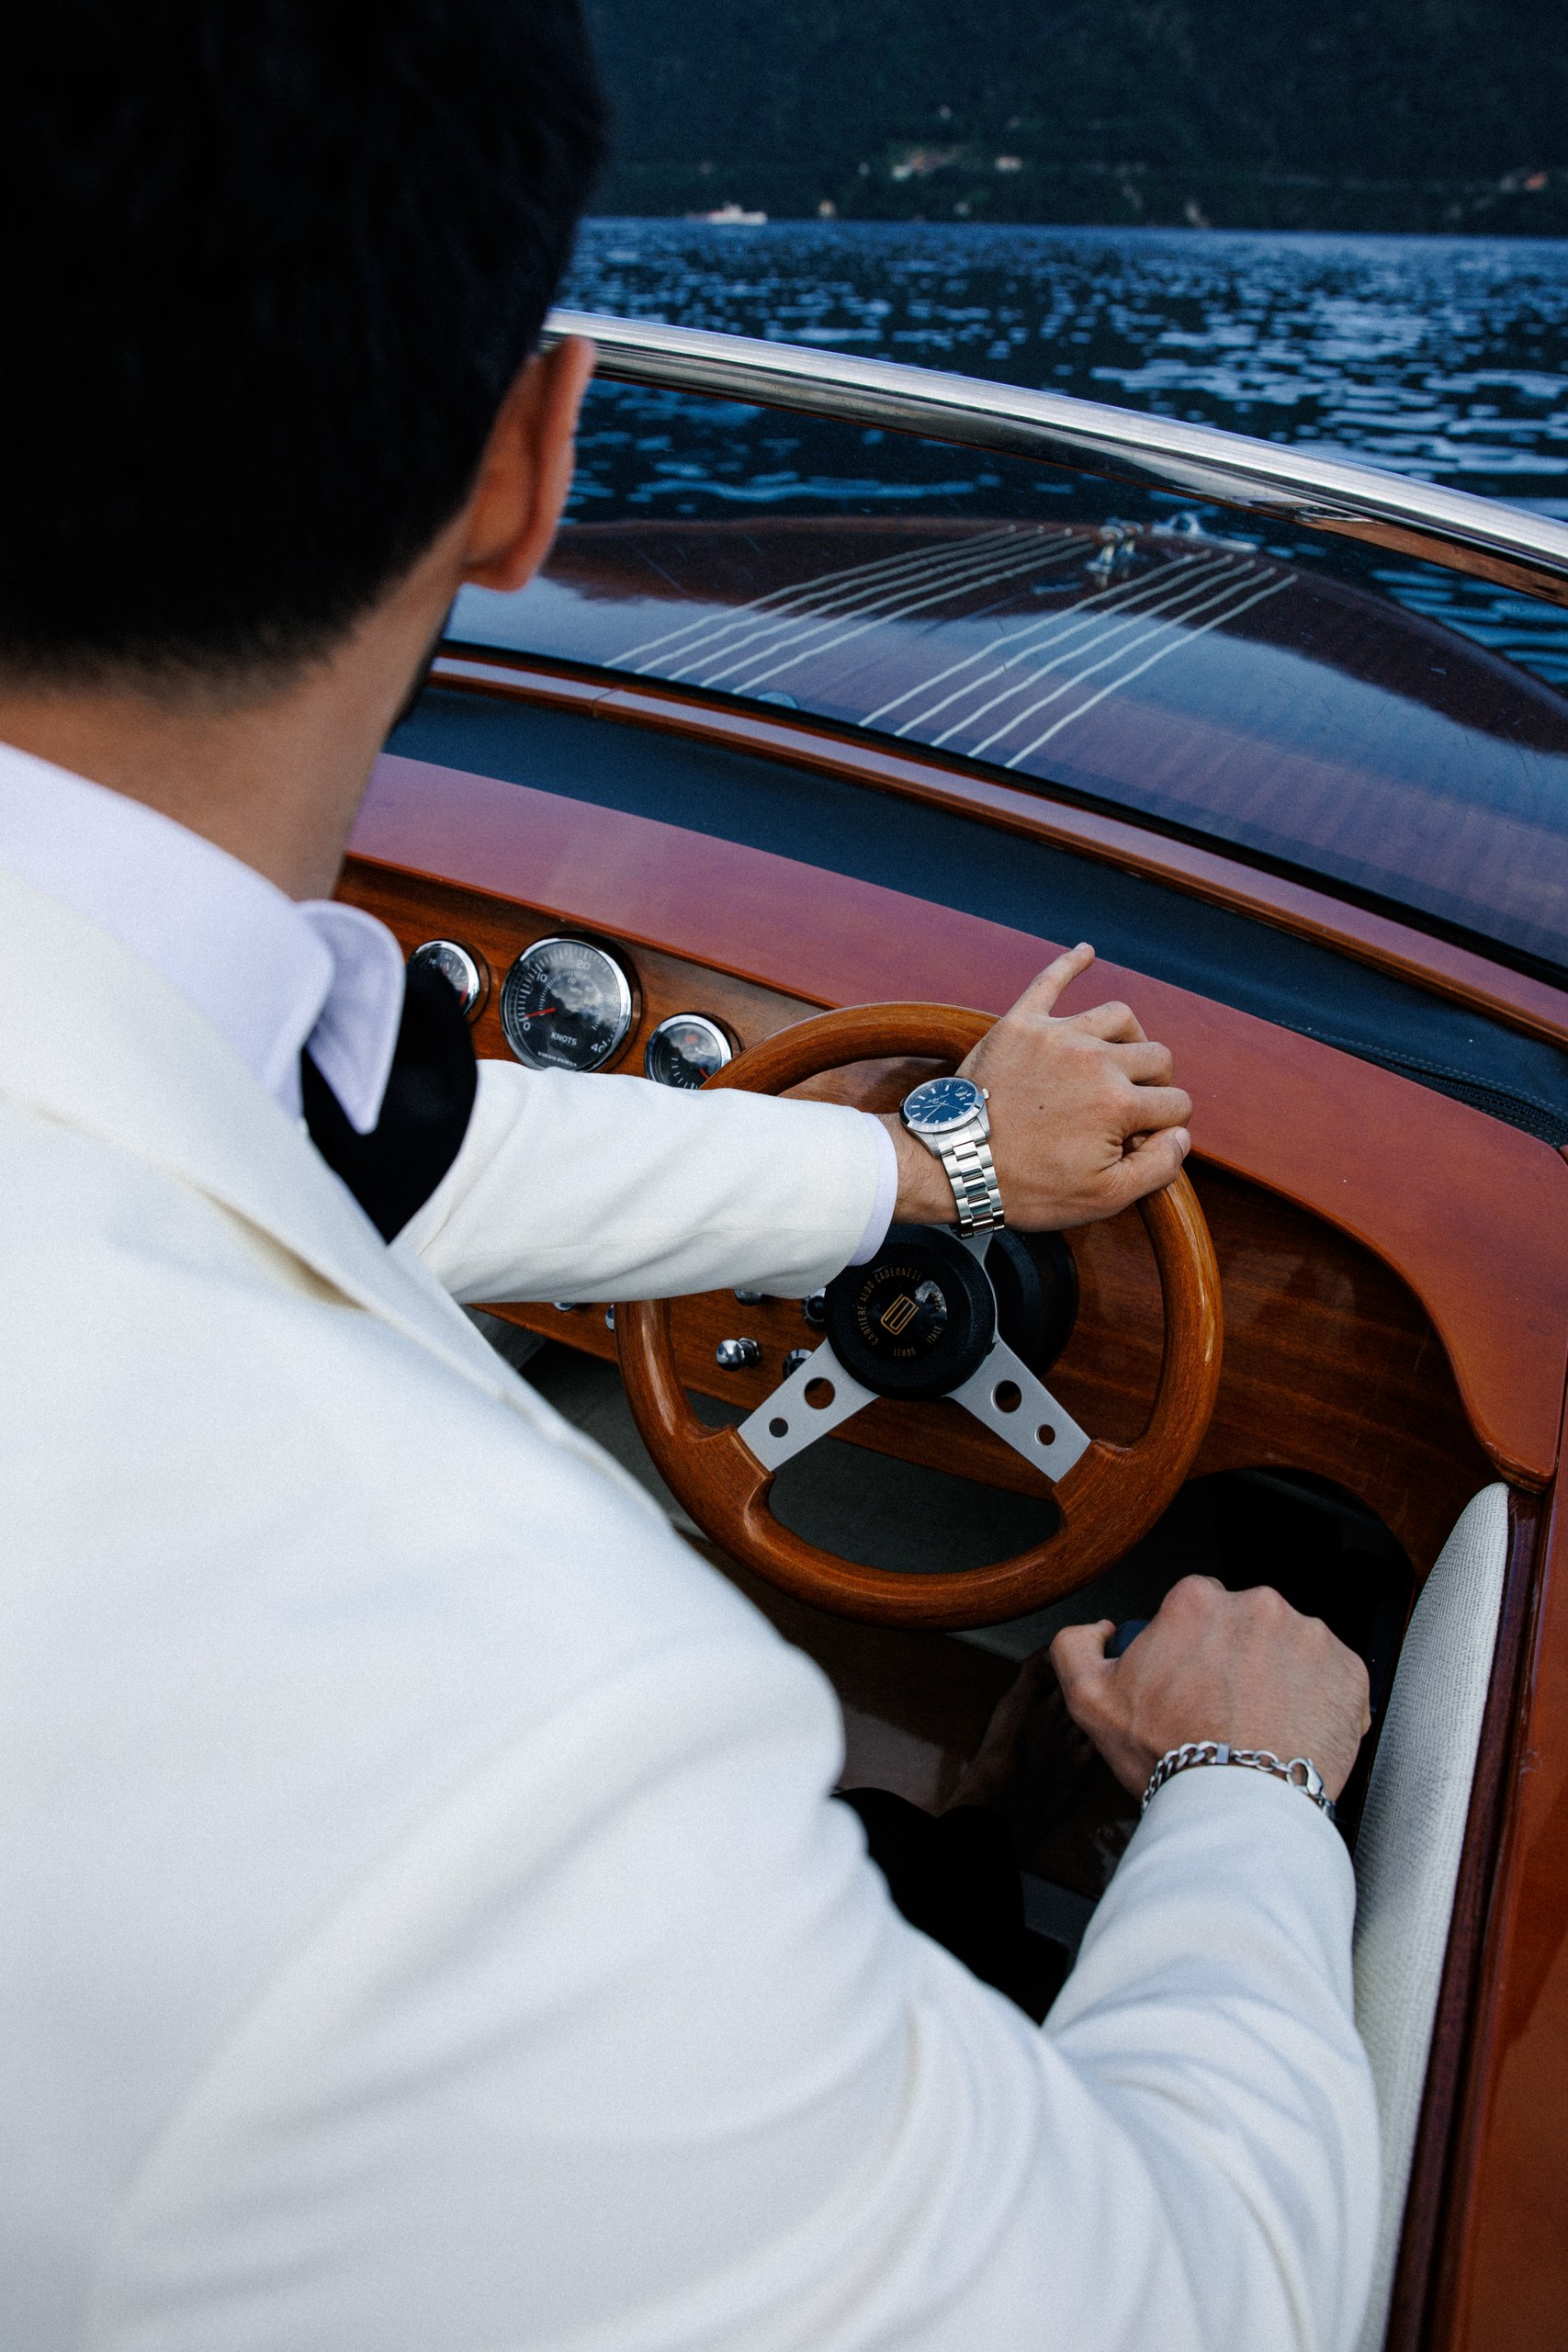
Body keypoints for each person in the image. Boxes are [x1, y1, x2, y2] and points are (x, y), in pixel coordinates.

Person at [0, 7, 1376, 2348]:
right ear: (531, 462)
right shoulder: (506, 1752)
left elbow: (381, 1140)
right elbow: (1193, 2293)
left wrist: (932, 1167)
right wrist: (1241, 1777)